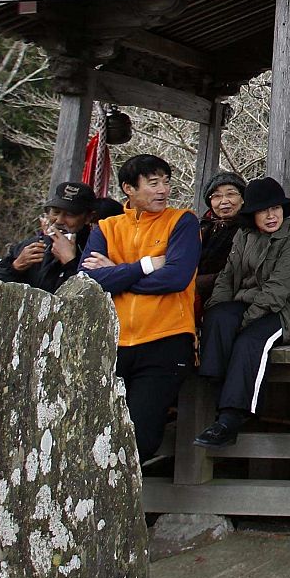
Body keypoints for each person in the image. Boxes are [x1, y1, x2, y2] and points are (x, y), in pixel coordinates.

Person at [81, 154, 201, 465]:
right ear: (129, 189)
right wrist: (146, 265)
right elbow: (88, 279)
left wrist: (117, 274)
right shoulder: (107, 228)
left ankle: (128, 508)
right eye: (153, 183)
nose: (163, 190)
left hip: (165, 339)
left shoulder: (182, 221)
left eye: (166, 182)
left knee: (141, 439)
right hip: (113, 341)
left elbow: (175, 277)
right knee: (95, 430)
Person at [193, 177, 290, 448]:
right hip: (246, 303)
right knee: (219, 317)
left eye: (276, 209)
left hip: (283, 311)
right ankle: (218, 388)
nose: (271, 216)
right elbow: (227, 277)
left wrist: (244, 322)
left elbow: (279, 289)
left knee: (250, 342)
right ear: (252, 215)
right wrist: (215, 311)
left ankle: (230, 418)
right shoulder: (244, 235)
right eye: (263, 211)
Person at [0, 180, 95, 294]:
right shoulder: (31, 246)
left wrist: (70, 263)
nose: (59, 220)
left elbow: (90, 299)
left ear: (88, 217)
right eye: (55, 212)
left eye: (70, 215)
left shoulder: (94, 252)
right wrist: (15, 267)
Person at [195, 171, 247, 309]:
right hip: (192, 295)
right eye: (217, 196)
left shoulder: (248, 228)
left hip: (229, 299)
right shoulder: (202, 227)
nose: (224, 201)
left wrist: (195, 283)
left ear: (242, 198)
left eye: (231, 194)